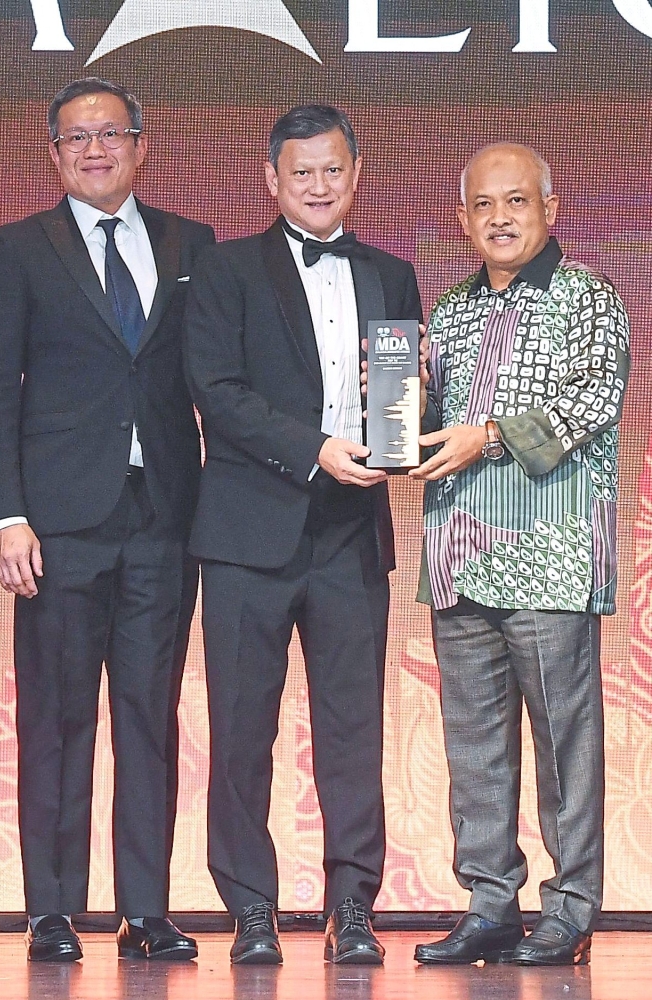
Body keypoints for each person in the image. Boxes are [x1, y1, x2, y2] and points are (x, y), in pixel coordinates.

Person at [0, 77, 215, 962]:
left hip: (164, 518)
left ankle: (145, 910)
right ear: (53, 154)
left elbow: (218, 378)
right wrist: (6, 516)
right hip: (60, 523)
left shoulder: (192, 243)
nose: (95, 149)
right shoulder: (17, 248)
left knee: (150, 717)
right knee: (58, 719)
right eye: (76, 138)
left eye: (112, 134)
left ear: (142, 145)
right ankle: (51, 909)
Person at [183, 104, 422, 965]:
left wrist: (408, 410)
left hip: (351, 531)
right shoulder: (225, 269)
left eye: (332, 170)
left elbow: (400, 394)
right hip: (248, 531)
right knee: (244, 729)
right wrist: (314, 449)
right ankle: (251, 906)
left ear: (355, 174)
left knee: (352, 727)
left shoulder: (392, 272)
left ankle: (352, 906)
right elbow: (216, 388)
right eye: (301, 172)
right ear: (271, 180)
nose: (318, 186)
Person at [410, 143, 630, 966]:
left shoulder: (589, 299)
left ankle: (571, 907)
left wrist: (490, 435)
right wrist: (386, 394)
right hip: (460, 557)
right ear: (463, 219)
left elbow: (593, 400)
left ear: (551, 207)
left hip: (552, 557)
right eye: (483, 206)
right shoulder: (454, 308)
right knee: (474, 746)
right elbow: (426, 414)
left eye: (517, 202)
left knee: (563, 745)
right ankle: (490, 902)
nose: (500, 219)